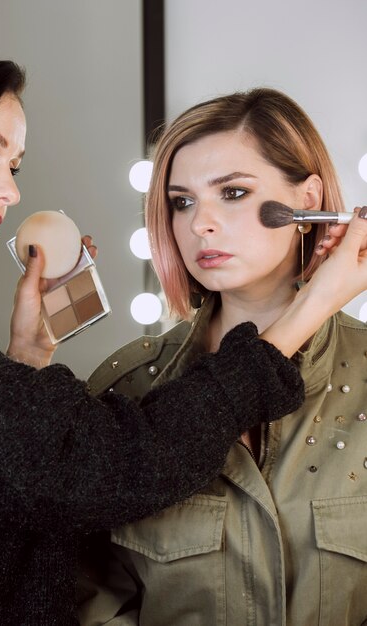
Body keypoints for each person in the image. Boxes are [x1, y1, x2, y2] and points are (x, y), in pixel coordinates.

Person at [78, 88, 367, 626]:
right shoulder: (129, 385)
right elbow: (91, 598)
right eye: (182, 201)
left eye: (232, 192)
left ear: (309, 200)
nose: (198, 224)